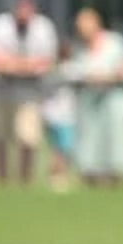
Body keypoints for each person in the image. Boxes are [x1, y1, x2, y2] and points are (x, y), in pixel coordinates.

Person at [0, 0, 59, 186]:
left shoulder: (43, 28)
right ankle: (2, 181)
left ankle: (25, 181)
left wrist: (13, 65)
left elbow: (46, 62)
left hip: (29, 93)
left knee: (28, 138)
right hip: (0, 91)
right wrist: (25, 65)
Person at [67, 8, 123, 189]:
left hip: (114, 100)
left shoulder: (116, 42)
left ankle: (117, 180)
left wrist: (108, 77)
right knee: (90, 144)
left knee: (116, 142)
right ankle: (91, 181)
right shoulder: (79, 49)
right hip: (90, 103)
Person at [41, 40, 79, 192]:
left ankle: (57, 178)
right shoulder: (70, 70)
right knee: (62, 150)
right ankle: (58, 179)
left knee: (57, 149)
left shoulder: (50, 70)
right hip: (64, 117)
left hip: (51, 116)